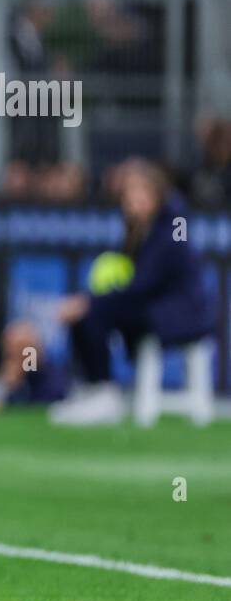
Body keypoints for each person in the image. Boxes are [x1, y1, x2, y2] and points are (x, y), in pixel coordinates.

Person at [51, 159, 215, 426]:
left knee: (94, 312)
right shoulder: (138, 229)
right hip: (155, 308)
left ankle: (104, 393)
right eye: (128, 194)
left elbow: (144, 285)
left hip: (181, 315)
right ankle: (95, 388)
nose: (132, 201)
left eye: (140, 193)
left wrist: (91, 301)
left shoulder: (173, 228)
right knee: (87, 314)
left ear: (156, 194)